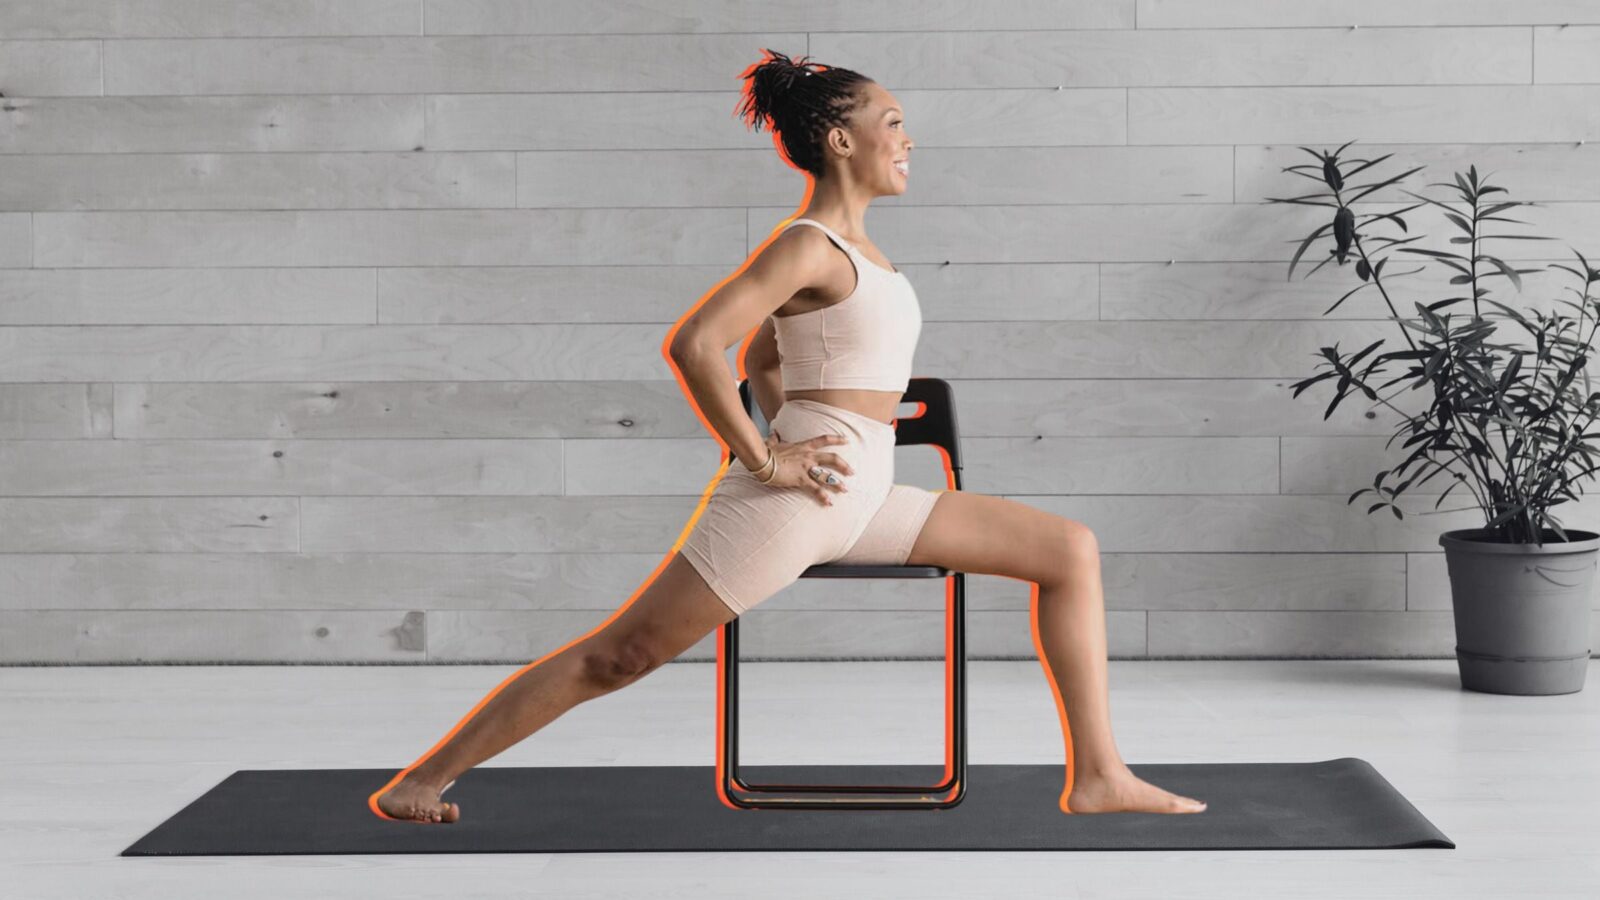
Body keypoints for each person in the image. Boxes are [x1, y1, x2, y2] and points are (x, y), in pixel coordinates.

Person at [371, 49, 1205, 823]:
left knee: (1069, 551)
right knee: (621, 656)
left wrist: (791, 425)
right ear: (842, 140)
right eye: (893, 123)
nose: (908, 139)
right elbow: (698, 343)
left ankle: (1097, 774)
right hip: (798, 506)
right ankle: (422, 780)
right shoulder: (809, 244)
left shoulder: (860, 251)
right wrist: (769, 458)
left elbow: (767, 353)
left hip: (863, 492)